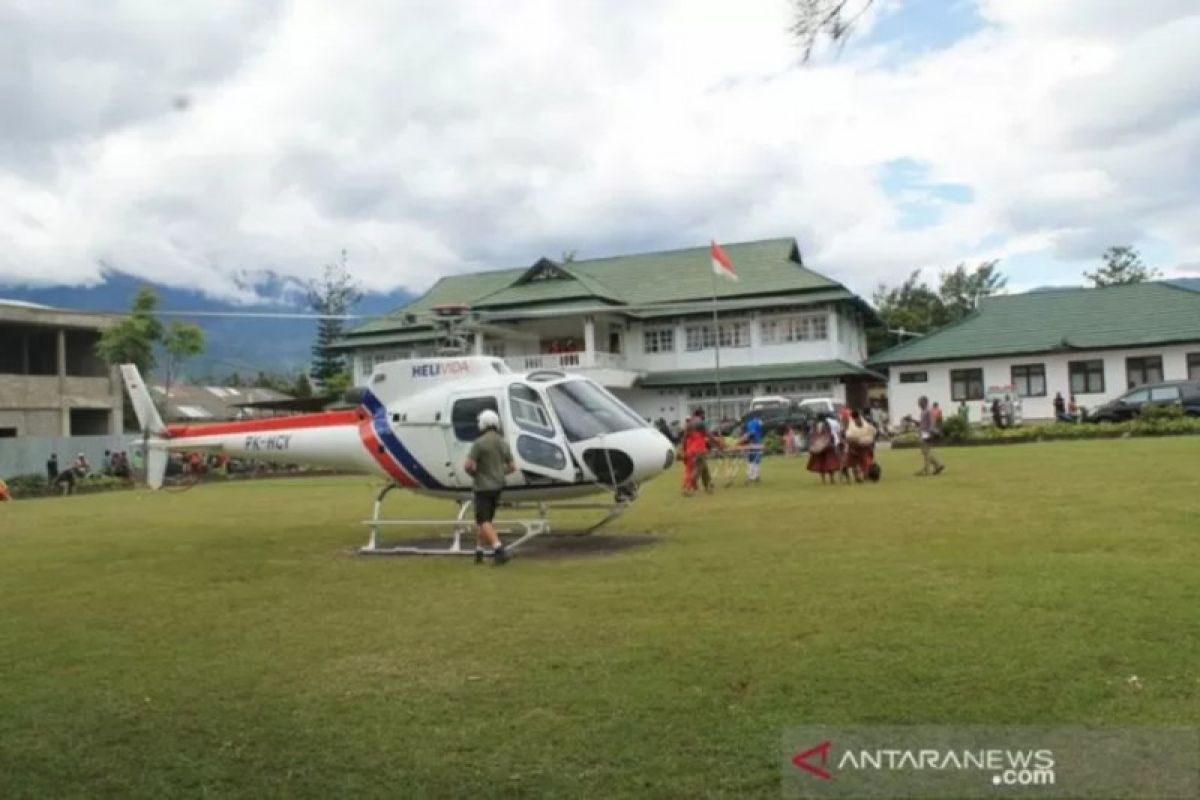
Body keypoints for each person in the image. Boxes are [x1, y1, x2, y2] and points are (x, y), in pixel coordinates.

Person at [464, 409, 516, 565]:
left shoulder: (479, 443)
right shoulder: (503, 442)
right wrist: (499, 472)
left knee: (482, 520)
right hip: (498, 486)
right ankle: (479, 551)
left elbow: (468, 465)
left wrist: (475, 474)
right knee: (487, 520)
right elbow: (512, 467)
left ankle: (498, 549)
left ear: (483, 424)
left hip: (483, 487)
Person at [844, 408, 877, 483]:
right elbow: (848, 436)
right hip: (855, 446)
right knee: (854, 463)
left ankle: (865, 475)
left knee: (864, 461)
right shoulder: (852, 423)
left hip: (863, 446)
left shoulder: (861, 423)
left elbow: (872, 432)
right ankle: (858, 477)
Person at [806, 414, 839, 484]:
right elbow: (829, 435)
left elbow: (812, 436)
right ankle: (831, 479)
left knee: (821, 464)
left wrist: (814, 445)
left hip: (819, 446)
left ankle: (824, 480)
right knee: (830, 463)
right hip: (827, 446)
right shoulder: (826, 425)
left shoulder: (815, 426)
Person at [917, 396, 945, 477]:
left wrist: (930, 433)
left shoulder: (928, 411)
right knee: (925, 452)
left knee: (926, 451)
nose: (919, 404)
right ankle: (936, 466)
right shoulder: (923, 412)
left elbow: (932, 423)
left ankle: (932, 467)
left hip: (927, 433)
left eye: (920, 402)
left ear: (924, 402)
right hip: (923, 433)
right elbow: (923, 424)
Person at [740, 410, 765, 483]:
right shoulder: (758, 422)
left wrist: (744, 440)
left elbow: (748, 432)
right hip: (755, 442)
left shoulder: (749, 423)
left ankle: (751, 476)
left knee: (750, 459)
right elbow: (752, 433)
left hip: (750, 442)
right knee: (756, 460)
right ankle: (754, 476)